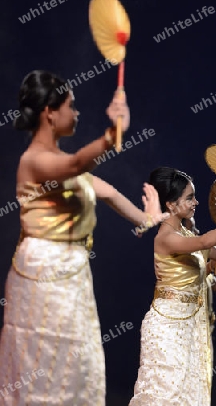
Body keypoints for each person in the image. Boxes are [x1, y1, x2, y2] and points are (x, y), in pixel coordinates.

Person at [0, 70, 168, 406]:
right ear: (50, 111)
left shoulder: (68, 166)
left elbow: (106, 192)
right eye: (70, 106)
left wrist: (149, 218)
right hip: (42, 273)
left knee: (77, 365)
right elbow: (77, 163)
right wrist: (112, 132)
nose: (76, 113)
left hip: (73, 276)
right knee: (44, 363)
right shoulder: (34, 162)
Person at [129, 167, 216, 406]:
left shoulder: (184, 232)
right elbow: (204, 241)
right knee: (163, 397)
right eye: (190, 197)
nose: (196, 202)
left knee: (189, 398)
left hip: (190, 329)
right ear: (171, 205)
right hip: (166, 329)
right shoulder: (165, 238)